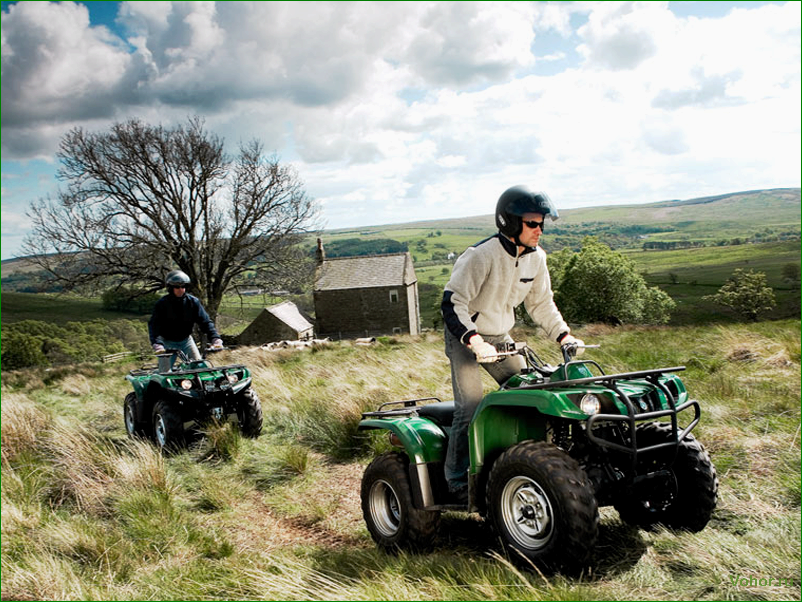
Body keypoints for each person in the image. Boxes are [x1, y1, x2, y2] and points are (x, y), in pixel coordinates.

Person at [440, 185, 583, 503]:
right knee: (471, 405)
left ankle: (522, 463)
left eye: (542, 223)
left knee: (529, 390)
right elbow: (452, 303)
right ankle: (455, 479)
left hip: (500, 337)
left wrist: (564, 335)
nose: (539, 230)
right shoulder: (481, 255)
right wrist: (474, 341)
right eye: (533, 223)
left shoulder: (537, 259)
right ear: (510, 222)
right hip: (466, 337)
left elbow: (542, 304)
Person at [148, 270, 223, 363]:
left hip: (186, 341)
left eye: (183, 286)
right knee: (165, 374)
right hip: (167, 343)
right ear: (170, 288)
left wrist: (215, 338)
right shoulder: (162, 304)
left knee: (199, 366)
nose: (181, 289)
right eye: (177, 287)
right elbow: (154, 325)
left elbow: (205, 322)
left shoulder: (193, 302)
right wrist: (157, 344)